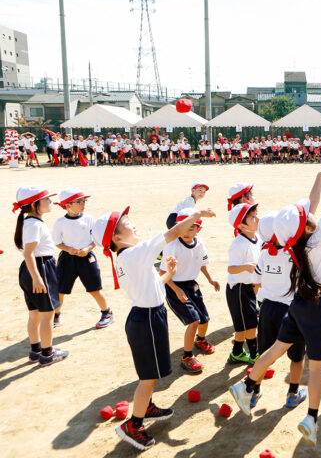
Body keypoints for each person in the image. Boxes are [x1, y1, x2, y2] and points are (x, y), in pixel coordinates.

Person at [228, 164, 321, 447]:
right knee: (317, 367)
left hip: (297, 304)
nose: (309, 211)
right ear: (307, 223)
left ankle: (246, 385)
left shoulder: (290, 243)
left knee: (274, 350)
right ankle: (311, 418)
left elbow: (317, 204)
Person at [92, 205, 215, 451]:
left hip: (149, 315)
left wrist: (168, 274)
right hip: (145, 319)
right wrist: (197, 213)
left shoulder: (128, 257)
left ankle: (146, 407)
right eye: (126, 221)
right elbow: (174, 232)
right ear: (116, 238)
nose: (132, 223)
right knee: (148, 377)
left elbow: (151, 286)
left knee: (153, 373)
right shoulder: (134, 254)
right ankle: (133, 425)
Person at [253, 210, 308, 409]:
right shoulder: (293, 254)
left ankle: (254, 392)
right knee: (297, 356)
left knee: (264, 354)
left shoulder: (264, 254)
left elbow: (255, 282)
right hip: (292, 311)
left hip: (267, 308)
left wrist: (261, 302)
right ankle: (292, 393)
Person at [13, 186, 69, 366]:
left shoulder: (30, 222)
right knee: (47, 314)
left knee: (34, 313)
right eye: (46, 199)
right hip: (39, 269)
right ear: (34, 204)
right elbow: (29, 253)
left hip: (33, 267)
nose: (50, 202)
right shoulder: (34, 224)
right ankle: (47, 353)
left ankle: (36, 350)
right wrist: (37, 278)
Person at [160, 208, 220, 373]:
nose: (187, 231)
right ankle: (187, 356)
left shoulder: (199, 243)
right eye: (184, 227)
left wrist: (210, 279)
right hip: (174, 285)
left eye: (192, 227)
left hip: (191, 285)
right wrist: (176, 289)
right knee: (193, 321)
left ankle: (200, 340)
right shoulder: (172, 245)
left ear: (198, 229)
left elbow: (201, 263)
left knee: (204, 319)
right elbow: (163, 272)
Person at [51, 188, 113, 329]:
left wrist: (87, 249)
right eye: (78, 202)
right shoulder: (60, 222)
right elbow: (57, 241)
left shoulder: (89, 219)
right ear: (67, 205)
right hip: (67, 259)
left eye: (84, 201)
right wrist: (68, 249)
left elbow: (96, 239)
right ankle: (56, 314)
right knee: (60, 289)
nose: (83, 204)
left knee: (94, 288)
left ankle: (107, 313)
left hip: (86, 258)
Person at [225, 202, 261, 365]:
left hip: (250, 287)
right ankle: (254, 354)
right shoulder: (238, 244)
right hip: (238, 289)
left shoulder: (256, 237)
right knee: (251, 324)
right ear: (241, 225)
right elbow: (231, 269)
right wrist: (246, 267)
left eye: (255, 215)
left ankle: (237, 352)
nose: (257, 219)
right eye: (252, 217)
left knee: (242, 325)